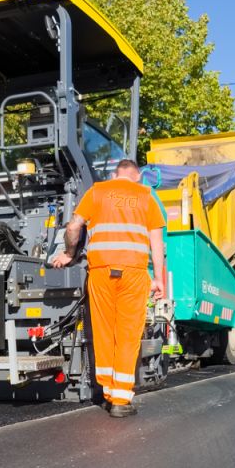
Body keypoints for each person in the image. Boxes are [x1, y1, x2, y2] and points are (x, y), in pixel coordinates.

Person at [51, 159, 166, 418]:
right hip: (134, 274)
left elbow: (73, 227)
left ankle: (107, 392)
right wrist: (159, 279)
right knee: (128, 333)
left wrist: (69, 253)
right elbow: (156, 242)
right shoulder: (147, 196)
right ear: (137, 176)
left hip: (101, 272)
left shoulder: (97, 191)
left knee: (103, 331)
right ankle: (121, 400)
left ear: (115, 174)